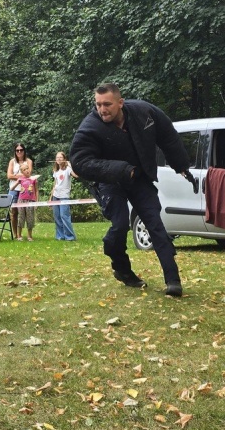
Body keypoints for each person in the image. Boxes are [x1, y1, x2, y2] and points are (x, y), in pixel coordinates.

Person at [70, 83, 193, 298]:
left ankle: (173, 280)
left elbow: (167, 135)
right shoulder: (90, 126)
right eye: (98, 104)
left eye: (107, 104)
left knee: (155, 224)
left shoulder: (144, 112)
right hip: (110, 181)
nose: (102, 109)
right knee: (119, 225)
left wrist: (180, 164)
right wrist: (122, 169)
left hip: (139, 177)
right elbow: (79, 162)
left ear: (120, 103)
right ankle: (123, 270)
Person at [50, 151, 78, 241]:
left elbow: (76, 175)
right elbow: (55, 184)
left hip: (64, 196)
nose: (58, 159)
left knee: (64, 216)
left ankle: (70, 237)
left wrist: (71, 165)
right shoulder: (56, 170)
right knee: (57, 217)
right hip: (56, 195)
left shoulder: (68, 169)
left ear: (64, 159)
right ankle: (60, 236)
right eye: (57, 157)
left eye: (60, 157)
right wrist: (51, 198)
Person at [6, 143, 32, 235]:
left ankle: (27, 234)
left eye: (21, 150)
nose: (19, 152)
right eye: (17, 150)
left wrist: (16, 176)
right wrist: (21, 176)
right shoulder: (12, 162)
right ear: (15, 151)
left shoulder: (28, 161)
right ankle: (15, 234)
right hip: (13, 189)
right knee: (14, 212)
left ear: (24, 151)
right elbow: (9, 176)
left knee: (26, 212)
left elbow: (28, 175)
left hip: (24, 190)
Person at [11, 162, 38, 241]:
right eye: (24, 170)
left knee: (30, 218)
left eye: (27, 168)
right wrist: (17, 182)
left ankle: (29, 236)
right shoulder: (21, 179)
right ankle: (19, 235)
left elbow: (36, 190)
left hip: (31, 201)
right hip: (21, 201)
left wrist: (36, 201)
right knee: (21, 218)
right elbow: (12, 189)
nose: (26, 170)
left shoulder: (34, 179)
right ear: (22, 172)